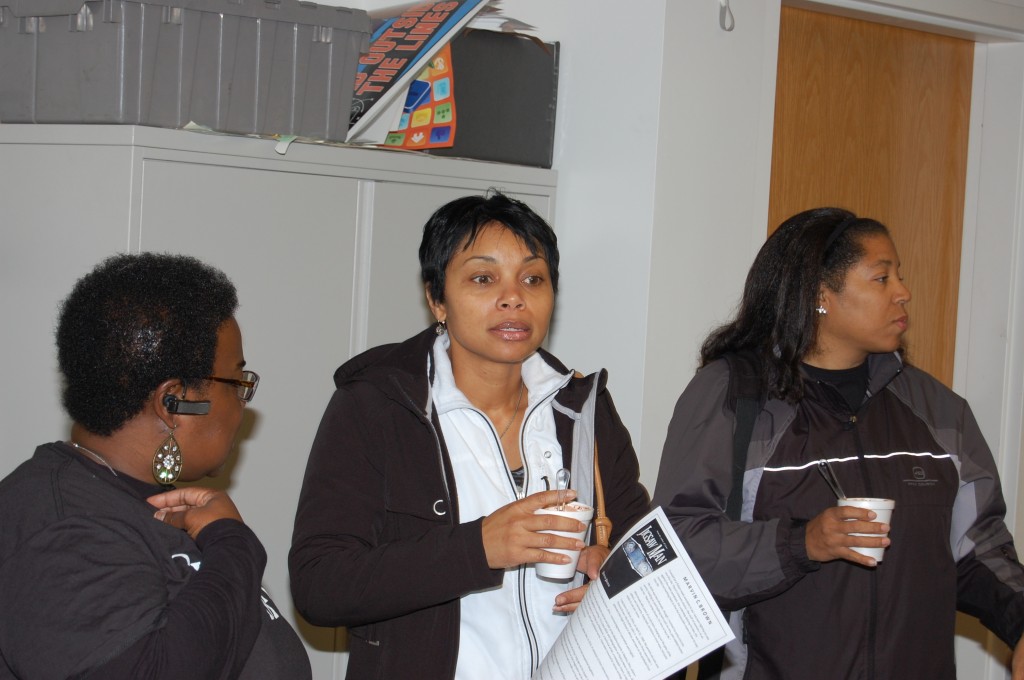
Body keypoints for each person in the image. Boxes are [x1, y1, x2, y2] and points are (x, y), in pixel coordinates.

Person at [289, 191, 650, 679]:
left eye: (533, 279)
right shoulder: (378, 407)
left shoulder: (583, 409)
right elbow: (320, 584)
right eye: (483, 278)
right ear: (437, 299)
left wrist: (613, 580)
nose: (513, 297)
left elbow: (645, 551)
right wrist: (477, 549)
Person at [653, 207, 1024, 680]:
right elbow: (678, 544)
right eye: (881, 278)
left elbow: (978, 548)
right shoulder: (733, 396)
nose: (903, 293)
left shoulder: (938, 410)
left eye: (900, 276)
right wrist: (801, 542)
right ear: (821, 294)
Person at [0, 253, 311, 680]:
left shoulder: (150, 503)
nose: (242, 402)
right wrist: (234, 547)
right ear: (173, 402)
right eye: (237, 381)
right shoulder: (60, 528)